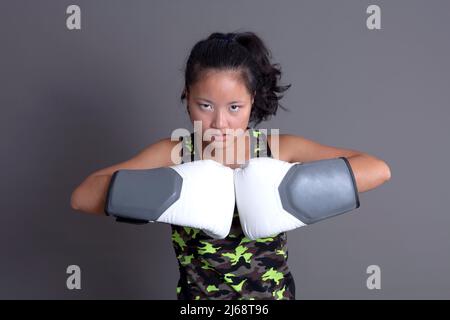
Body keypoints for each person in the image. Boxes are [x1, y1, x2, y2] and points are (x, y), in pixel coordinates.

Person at [70, 31, 392, 300]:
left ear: (252, 99)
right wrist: (174, 185)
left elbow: (377, 169)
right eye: (205, 105)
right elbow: (82, 196)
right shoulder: (177, 153)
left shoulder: (276, 149)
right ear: (187, 97)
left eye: (234, 107)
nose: (219, 123)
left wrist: (289, 185)